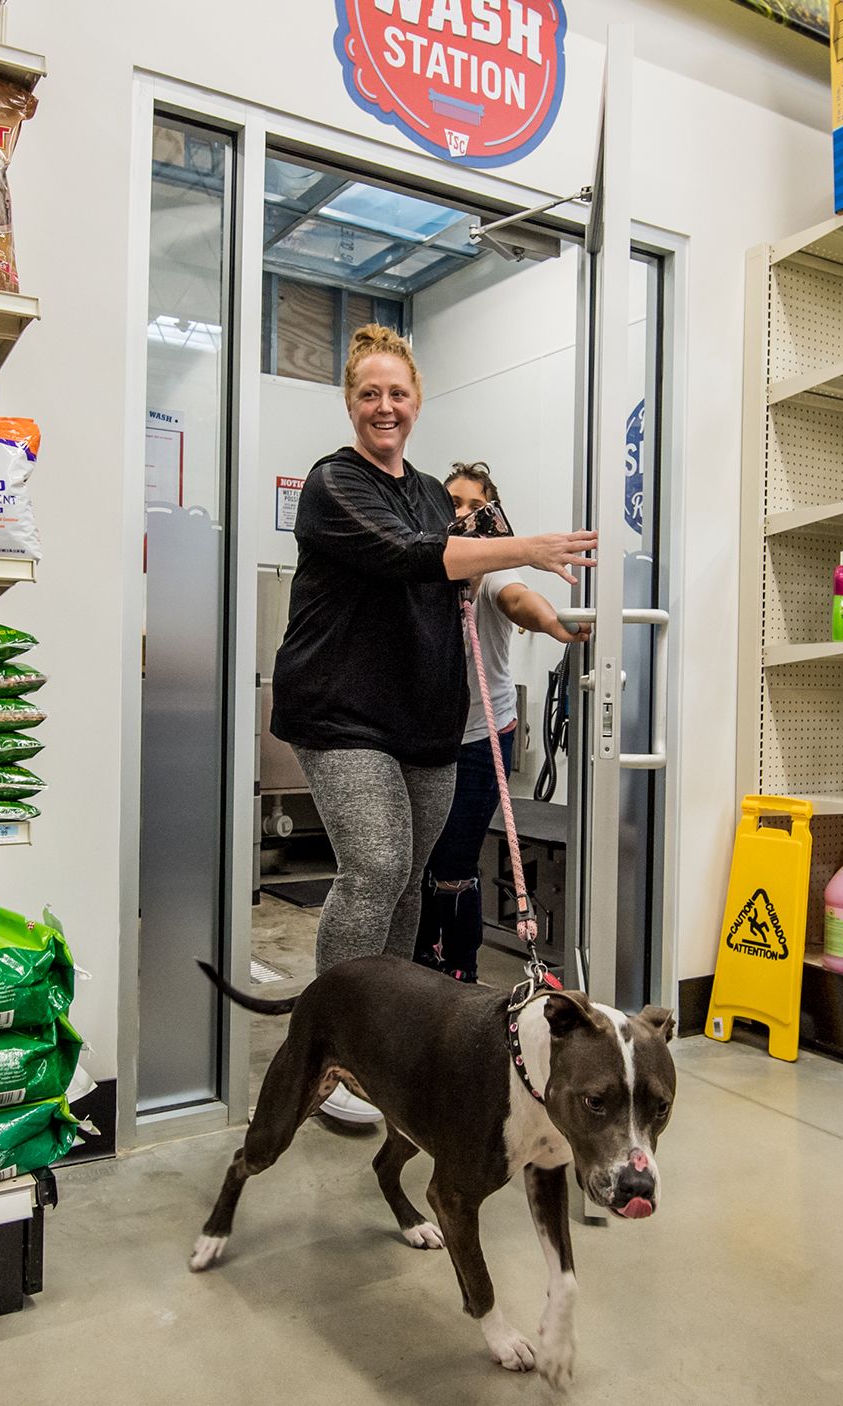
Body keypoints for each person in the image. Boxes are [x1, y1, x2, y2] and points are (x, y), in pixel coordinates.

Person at [268, 325, 595, 1128]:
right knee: (375, 867)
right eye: (370, 394)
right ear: (350, 403)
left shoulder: (426, 488)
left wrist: (540, 602)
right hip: (341, 711)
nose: (386, 406)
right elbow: (412, 554)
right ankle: (326, 1048)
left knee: (410, 879)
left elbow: (481, 579)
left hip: (423, 716)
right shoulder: (332, 483)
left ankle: (377, 1043)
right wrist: (523, 544)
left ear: (417, 403)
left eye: (399, 393)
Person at [414, 463, 588, 983]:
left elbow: (517, 600)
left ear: (490, 515)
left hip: (480, 738)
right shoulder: (425, 565)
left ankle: (458, 974)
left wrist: (554, 621)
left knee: (454, 867)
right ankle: (416, 968)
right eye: (453, 504)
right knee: (417, 865)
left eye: (472, 504)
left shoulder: (494, 573)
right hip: (425, 738)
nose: (461, 514)